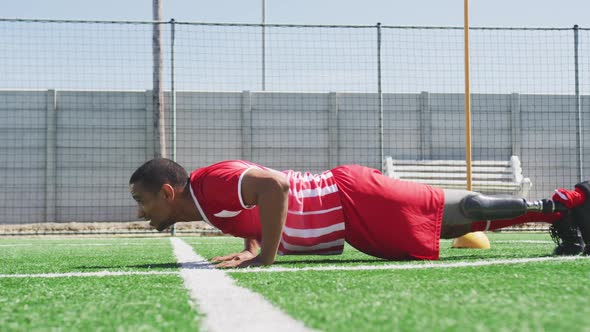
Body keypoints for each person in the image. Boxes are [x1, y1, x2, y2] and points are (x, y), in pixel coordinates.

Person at [128, 158, 590, 268]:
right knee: (450, 226)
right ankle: (558, 219)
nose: (143, 213)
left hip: (353, 197)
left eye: (142, 202)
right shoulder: (210, 205)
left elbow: (275, 186)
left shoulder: (212, 181)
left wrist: (266, 256)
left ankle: (569, 201)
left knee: (461, 209)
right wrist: (252, 246)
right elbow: (254, 213)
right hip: (353, 227)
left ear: (168, 192)